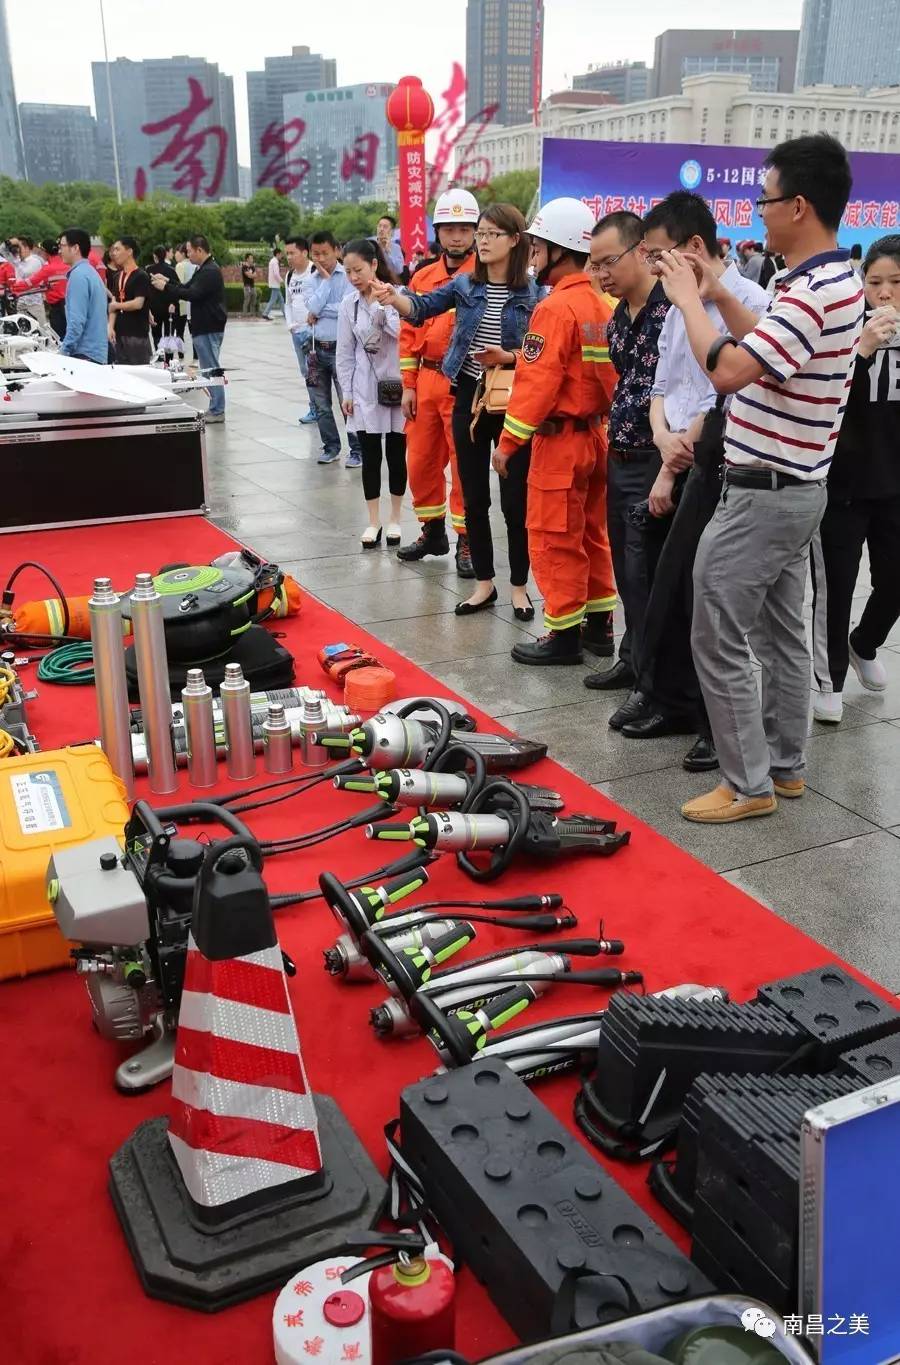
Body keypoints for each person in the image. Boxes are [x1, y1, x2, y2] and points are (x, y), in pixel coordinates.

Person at [655, 133, 862, 824]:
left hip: (765, 492)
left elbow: (729, 369)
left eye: (764, 200)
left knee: (716, 630)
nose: (758, 213)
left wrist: (688, 301)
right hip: (794, 488)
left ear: (798, 206)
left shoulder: (813, 291)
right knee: (779, 636)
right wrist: (717, 291)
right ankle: (785, 766)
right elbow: (769, 351)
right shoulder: (817, 282)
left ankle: (748, 783)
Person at [618, 192, 769, 771]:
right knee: (667, 591)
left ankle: (716, 724)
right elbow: (662, 382)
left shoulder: (748, 303)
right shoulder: (675, 305)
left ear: (695, 247)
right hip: (674, 451)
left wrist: (671, 462)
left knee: (708, 601)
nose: (654, 267)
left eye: (659, 255)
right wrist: (661, 436)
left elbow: (724, 390)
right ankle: (674, 701)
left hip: (715, 459)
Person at [374, 205, 540, 617]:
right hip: (468, 395)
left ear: (514, 240)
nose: (481, 241)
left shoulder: (534, 292)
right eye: (480, 233)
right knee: (474, 496)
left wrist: (510, 356)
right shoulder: (465, 285)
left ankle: (520, 588)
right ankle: (484, 584)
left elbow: (542, 352)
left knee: (515, 502)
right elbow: (422, 307)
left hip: (512, 399)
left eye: (490, 234)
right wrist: (394, 298)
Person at [492, 198, 617, 664]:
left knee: (554, 536)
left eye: (539, 246)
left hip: (560, 442)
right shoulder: (601, 306)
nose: (534, 254)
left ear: (560, 249)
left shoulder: (555, 308)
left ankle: (563, 634)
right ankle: (599, 627)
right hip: (595, 437)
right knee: (592, 534)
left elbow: (535, 385)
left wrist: (508, 444)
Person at [809, 235, 900, 723]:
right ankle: (829, 680)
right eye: (875, 282)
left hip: (895, 486)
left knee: (894, 580)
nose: (884, 293)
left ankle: (864, 642)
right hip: (843, 484)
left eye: (896, 283)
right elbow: (823, 394)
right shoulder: (845, 330)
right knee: (836, 588)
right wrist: (862, 348)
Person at [583, 210, 671, 694]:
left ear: (640, 250)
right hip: (618, 453)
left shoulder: (672, 308)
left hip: (657, 459)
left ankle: (654, 682)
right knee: (625, 567)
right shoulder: (617, 317)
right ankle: (632, 658)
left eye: (608, 262)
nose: (601, 274)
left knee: (647, 573)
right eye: (594, 265)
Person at [396, 187, 480, 578]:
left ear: (476, 231)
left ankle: (467, 539)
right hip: (427, 379)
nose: (457, 237)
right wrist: (409, 384)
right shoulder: (423, 277)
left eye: (464, 229)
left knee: (465, 464)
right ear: (438, 232)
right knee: (421, 461)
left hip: (465, 381)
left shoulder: (485, 275)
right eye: (449, 229)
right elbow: (409, 333)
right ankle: (432, 531)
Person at [336, 238, 406, 547]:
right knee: (370, 455)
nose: (353, 277)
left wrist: (383, 304)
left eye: (359, 270)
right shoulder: (348, 305)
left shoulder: (399, 296)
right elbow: (344, 353)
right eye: (348, 271)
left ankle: (395, 519)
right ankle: (373, 520)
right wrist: (347, 392)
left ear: (374, 264)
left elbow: (402, 333)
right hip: (364, 389)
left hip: (395, 387)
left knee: (396, 453)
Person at [151, 234, 227, 421]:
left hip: (209, 326)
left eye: (190, 251)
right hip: (204, 326)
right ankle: (215, 408)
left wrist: (165, 287)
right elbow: (185, 287)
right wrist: (168, 281)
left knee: (211, 369)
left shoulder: (209, 271)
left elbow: (192, 294)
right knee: (208, 368)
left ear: (200, 250)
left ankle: (218, 410)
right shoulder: (204, 269)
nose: (188, 254)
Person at [306, 230, 363, 467]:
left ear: (336, 251)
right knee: (320, 405)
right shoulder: (312, 279)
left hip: (342, 350)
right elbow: (311, 306)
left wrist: (320, 311)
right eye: (315, 254)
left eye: (325, 253)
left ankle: (357, 450)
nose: (320, 258)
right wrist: (326, 283)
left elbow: (346, 309)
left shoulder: (348, 276)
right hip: (315, 349)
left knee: (347, 401)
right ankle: (331, 447)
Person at [58, 227, 109, 364]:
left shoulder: (78, 276)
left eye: (62, 246)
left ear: (75, 248)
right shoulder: (90, 272)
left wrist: (64, 351)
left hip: (84, 355)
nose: (59, 251)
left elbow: (76, 322)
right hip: (95, 353)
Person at [282, 236, 317, 424]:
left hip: (313, 332)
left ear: (304, 252)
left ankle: (319, 408)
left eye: (292, 253)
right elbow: (288, 303)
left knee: (314, 372)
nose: (289, 257)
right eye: (287, 253)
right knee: (306, 372)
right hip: (296, 332)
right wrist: (290, 324)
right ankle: (315, 407)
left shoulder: (314, 271)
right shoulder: (289, 276)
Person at [107, 236, 152, 365]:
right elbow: (113, 304)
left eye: (117, 249)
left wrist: (117, 305)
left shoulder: (141, 276)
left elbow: (138, 303)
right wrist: (110, 326)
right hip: (119, 333)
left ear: (129, 251)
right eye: (113, 250)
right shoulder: (117, 276)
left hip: (137, 334)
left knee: (139, 371)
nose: (114, 253)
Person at [10, 239, 67, 337]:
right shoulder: (67, 265)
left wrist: (13, 288)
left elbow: (30, 283)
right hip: (68, 306)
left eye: (41, 251)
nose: (40, 254)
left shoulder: (48, 269)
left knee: (58, 337)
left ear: (45, 252)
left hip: (57, 309)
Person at [147, 245, 179, 353]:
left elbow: (145, 289)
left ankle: (159, 354)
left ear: (154, 256)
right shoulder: (171, 270)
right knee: (168, 333)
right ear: (165, 255)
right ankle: (168, 358)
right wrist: (174, 303)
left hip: (154, 306)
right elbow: (177, 288)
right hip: (168, 306)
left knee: (156, 333)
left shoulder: (149, 270)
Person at [13, 235, 46, 325]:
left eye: (19, 247)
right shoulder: (18, 262)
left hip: (34, 304)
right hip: (21, 302)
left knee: (40, 329)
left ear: (27, 248)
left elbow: (26, 276)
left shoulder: (35, 261)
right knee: (22, 330)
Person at [173, 243, 193, 350]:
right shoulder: (195, 265)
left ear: (182, 253)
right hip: (193, 303)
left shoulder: (180, 266)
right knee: (193, 332)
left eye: (177, 252)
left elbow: (178, 285)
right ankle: (196, 356)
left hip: (181, 304)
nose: (175, 255)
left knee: (179, 332)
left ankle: (180, 354)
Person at [376, 214, 405, 278]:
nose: (381, 229)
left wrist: (389, 252)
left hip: (387, 281)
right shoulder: (371, 245)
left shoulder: (396, 248)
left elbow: (399, 270)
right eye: (379, 226)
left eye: (385, 227)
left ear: (392, 231)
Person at [262, 248, 284, 318]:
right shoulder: (275, 262)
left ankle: (286, 314)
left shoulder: (273, 261)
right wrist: (282, 281)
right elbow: (276, 274)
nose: (281, 256)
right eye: (281, 254)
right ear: (277, 254)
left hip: (274, 284)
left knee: (281, 300)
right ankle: (265, 313)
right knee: (273, 300)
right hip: (275, 284)